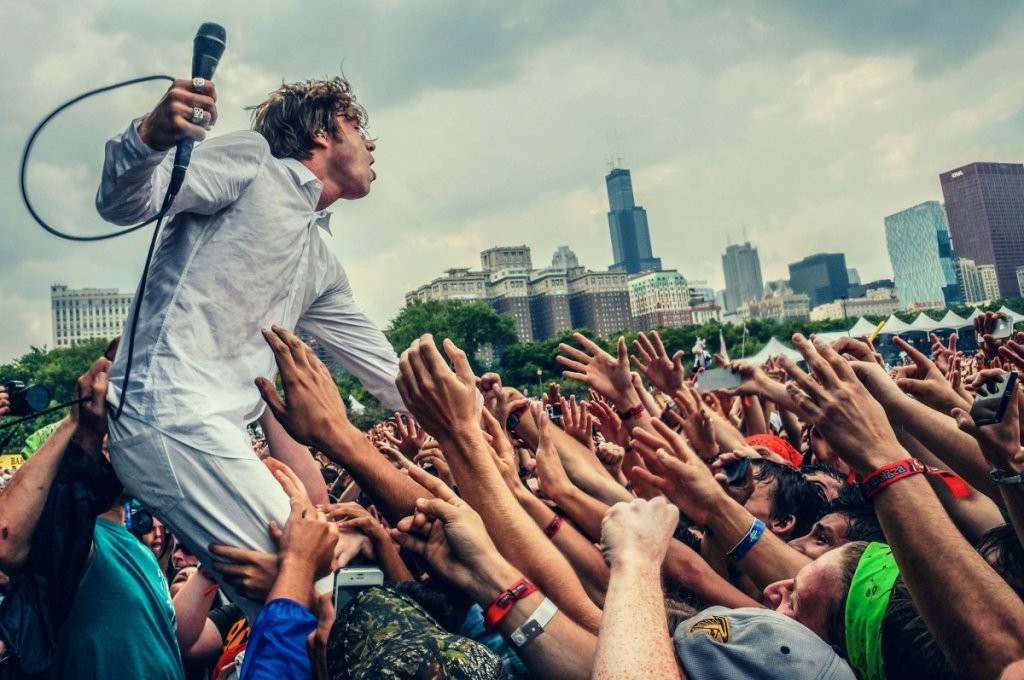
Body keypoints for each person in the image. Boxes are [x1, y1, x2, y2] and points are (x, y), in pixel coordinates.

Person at [95, 74, 405, 619]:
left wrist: (477, 407)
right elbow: (126, 201)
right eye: (358, 126)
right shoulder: (252, 162)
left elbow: (391, 378)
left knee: (312, 600)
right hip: (172, 417)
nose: (371, 144)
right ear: (321, 132)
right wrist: (151, 136)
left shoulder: (320, 262)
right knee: (324, 599)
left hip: (212, 434)